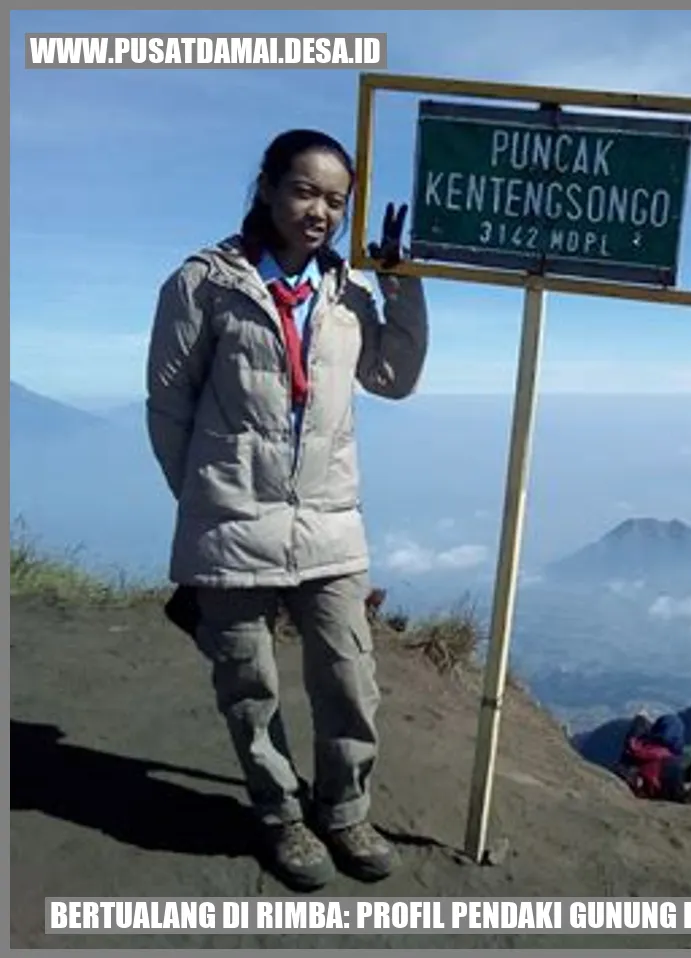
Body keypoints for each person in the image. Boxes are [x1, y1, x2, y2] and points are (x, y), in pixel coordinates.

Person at [145, 128, 429, 891]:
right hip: (230, 522)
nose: (319, 212)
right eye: (304, 190)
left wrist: (403, 283)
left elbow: (395, 376)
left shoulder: (345, 298)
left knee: (349, 675)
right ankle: (280, 814)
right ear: (267, 186)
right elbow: (168, 405)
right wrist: (206, 498)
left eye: (336, 200)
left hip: (330, 523)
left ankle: (344, 811)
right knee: (249, 687)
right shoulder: (203, 285)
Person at [616, 713, 691, 802]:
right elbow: (676, 795)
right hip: (652, 801)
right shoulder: (670, 761)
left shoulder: (636, 748)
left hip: (628, 794)